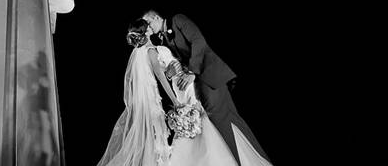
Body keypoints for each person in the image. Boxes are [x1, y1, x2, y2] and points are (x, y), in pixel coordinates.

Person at [97, 19, 272, 166]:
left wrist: (176, 71)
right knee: (198, 119)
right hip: (181, 87)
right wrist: (176, 101)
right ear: (145, 32)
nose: (151, 26)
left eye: (150, 23)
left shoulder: (154, 48)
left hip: (183, 83)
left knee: (201, 119)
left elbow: (166, 70)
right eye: (148, 25)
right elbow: (161, 78)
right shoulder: (150, 51)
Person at [142, 11, 271, 164]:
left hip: (209, 76)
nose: (147, 28)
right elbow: (173, 63)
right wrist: (171, 72)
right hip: (194, 86)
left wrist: (192, 72)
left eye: (148, 24)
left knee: (223, 121)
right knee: (221, 122)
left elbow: (199, 41)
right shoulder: (161, 40)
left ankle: (242, 161)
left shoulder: (178, 20)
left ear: (157, 18)